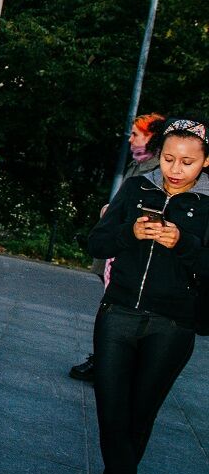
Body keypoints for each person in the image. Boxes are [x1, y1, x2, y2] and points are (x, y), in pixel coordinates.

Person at [77, 118, 209, 474]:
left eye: (187, 162)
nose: (175, 169)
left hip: (172, 327)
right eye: (169, 158)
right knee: (112, 417)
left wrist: (183, 243)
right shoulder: (137, 189)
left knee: (137, 420)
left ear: (204, 163)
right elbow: (95, 242)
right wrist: (129, 234)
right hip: (118, 315)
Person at [70, 112, 166, 382]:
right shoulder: (140, 164)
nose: (131, 138)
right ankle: (106, 359)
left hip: (131, 250)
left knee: (119, 308)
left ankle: (110, 362)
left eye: (137, 133)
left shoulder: (156, 169)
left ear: (151, 137)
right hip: (118, 243)